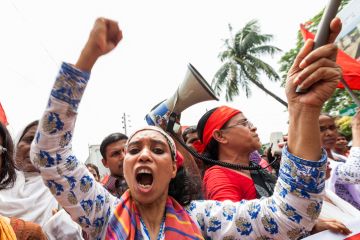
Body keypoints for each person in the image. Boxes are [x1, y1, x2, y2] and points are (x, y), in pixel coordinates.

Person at [29, 16, 345, 239]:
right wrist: (87, 57)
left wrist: (303, 111)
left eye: (157, 149)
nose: (143, 156)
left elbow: (290, 216)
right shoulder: (100, 214)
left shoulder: (204, 218)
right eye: (133, 150)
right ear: (124, 167)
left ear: (173, 167)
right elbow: (50, 156)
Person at [0, 122, 48, 240]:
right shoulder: (1, 179)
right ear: (16, 144)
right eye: (30, 139)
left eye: (44, 143)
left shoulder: (60, 195)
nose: (35, 147)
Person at [320, 112, 360, 210]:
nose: (330, 133)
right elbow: (354, 173)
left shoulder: (340, 158)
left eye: (332, 127)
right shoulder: (316, 163)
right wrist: (356, 128)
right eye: (321, 129)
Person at [99, 132, 128, 198]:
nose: (124, 156)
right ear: (105, 163)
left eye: (127, 150)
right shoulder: (102, 195)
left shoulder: (150, 184)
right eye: (116, 153)